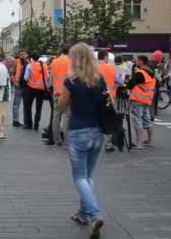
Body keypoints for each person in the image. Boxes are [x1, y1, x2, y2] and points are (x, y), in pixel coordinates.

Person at [57, 43, 105, 237]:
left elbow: (61, 105)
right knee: (89, 176)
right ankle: (85, 214)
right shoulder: (99, 78)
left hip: (78, 130)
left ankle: (94, 214)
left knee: (79, 177)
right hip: (98, 131)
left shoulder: (71, 80)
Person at [127, 55, 156, 149]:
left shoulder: (140, 73)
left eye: (137, 61)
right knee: (147, 119)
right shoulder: (151, 72)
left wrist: (133, 79)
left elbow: (129, 84)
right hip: (147, 99)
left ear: (141, 61)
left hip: (138, 99)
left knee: (137, 120)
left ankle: (138, 143)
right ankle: (150, 140)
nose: (136, 62)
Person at [97, 49, 120, 153]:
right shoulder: (112, 68)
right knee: (108, 120)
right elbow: (119, 81)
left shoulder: (93, 68)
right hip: (110, 98)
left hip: (96, 97)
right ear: (105, 57)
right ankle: (108, 145)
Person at [47, 45, 71, 145]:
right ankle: (66, 140)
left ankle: (56, 139)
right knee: (66, 115)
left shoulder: (54, 62)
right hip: (67, 93)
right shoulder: (71, 62)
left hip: (56, 92)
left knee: (56, 116)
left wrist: (50, 88)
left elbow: (50, 79)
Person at [23, 53, 48, 131]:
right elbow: (47, 77)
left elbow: (26, 78)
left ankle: (29, 124)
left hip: (31, 88)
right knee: (38, 108)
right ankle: (36, 125)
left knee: (28, 107)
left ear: (32, 58)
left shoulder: (30, 66)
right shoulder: (44, 66)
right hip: (41, 89)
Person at [12, 51, 29, 128]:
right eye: (21, 54)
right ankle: (15, 120)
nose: (22, 55)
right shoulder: (16, 62)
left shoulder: (29, 62)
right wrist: (14, 82)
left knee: (26, 104)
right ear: (19, 55)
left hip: (27, 86)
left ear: (27, 55)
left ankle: (26, 121)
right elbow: (12, 73)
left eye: (24, 54)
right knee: (16, 104)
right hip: (18, 85)